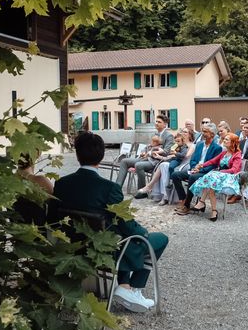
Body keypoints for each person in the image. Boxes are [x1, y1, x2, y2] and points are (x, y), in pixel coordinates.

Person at [50, 132, 168, 312]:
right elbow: (126, 224)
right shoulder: (110, 188)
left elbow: (53, 218)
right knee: (157, 239)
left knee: (119, 235)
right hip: (104, 251)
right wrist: (143, 232)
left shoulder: (61, 184)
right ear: (101, 155)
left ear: (77, 154)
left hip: (71, 246)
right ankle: (133, 288)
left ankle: (126, 286)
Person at [189, 133, 243, 222]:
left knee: (211, 176)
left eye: (227, 139)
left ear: (233, 142)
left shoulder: (237, 154)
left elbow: (234, 170)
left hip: (230, 177)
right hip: (219, 176)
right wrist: (201, 165)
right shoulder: (224, 153)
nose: (224, 141)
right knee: (211, 182)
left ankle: (202, 203)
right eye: (224, 139)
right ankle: (213, 210)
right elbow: (212, 161)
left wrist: (220, 172)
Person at [173, 123, 223, 214]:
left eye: (205, 132)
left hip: (206, 172)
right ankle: (183, 199)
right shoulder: (199, 144)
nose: (202, 133)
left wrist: (200, 169)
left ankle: (187, 206)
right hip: (194, 170)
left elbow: (213, 165)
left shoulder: (217, 148)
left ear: (212, 134)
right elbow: (193, 159)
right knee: (175, 175)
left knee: (192, 177)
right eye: (202, 131)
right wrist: (193, 168)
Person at [116, 115, 174, 190]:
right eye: (156, 121)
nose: (156, 123)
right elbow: (149, 146)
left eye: (159, 122)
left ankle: (142, 190)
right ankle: (117, 187)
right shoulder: (155, 134)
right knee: (124, 161)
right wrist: (143, 152)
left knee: (138, 165)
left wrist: (151, 152)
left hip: (156, 161)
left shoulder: (169, 136)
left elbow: (166, 151)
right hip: (146, 158)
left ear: (165, 124)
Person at [135, 131, 195, 203]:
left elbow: (186, 156)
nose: (183, 133)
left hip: (183, 165)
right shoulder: (177, 144)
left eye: (185, 132)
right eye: (182, 132)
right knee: (163, 165)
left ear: (190, 135)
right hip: (175, 162)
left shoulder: (191, 145)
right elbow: (170, 156)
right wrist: (159, 156)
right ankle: (162, 194)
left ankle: (153, 188)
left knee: (164, 166)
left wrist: (175, 153)